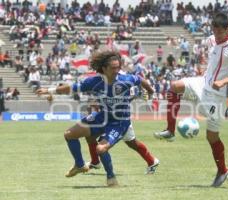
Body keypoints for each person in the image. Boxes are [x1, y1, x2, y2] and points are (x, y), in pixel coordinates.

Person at [153, 12, 228, 187]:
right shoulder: (212, 39)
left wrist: (226, 80)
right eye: (214, 32)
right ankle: (170, 130)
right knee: (174, 86)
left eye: (220, 32)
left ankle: (223, 170)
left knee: (212, 137)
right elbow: (211, 50)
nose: (216, 36)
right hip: (202, 83)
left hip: (217, 96)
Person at [36, 51, 159, 187]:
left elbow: (141, 81)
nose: (117, 70)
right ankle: (80, 164)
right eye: (113, 68)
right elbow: (72, 88)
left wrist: (151, 92)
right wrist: (50, 90)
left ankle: (111, 177)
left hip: (119, 122)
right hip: (102, 116)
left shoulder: (126, 79)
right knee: (70, 135)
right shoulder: (94, 82)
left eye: (118, 67)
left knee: (101, 149)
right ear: (104, 69)